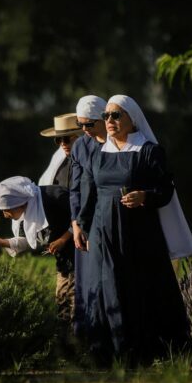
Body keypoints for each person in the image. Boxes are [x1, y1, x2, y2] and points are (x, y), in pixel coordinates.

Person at [77, 95, 192, 366]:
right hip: (103, 232)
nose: (109, 121)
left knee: (144, 287)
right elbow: (90, 191)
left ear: (132, 119)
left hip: (140, 233)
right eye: (106, 116)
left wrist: (145, 196)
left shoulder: (149, 151)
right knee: (108, 287)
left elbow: (166, 189)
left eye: (116, 115)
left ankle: (152, 351)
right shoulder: (98, 153)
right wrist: (81, 225)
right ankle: (114, 354)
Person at [0, 176, 75, 326]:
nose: (5, 215)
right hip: (64, 263)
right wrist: (0, 242)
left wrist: (63, 239)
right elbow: (27, 240)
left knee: (76, 307)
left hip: (83, 257)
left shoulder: (55, 197)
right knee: (62, 306)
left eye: (6, 210)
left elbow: (83, 217)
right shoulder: (25, 213)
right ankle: (69, 345)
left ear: (18, 203)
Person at [69, 95, 108, 338]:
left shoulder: (116, 143)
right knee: (87, 280)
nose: (85, 130)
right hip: (83, 222)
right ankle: (89, 334)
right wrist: (75, 224)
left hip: (106, 218)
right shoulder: (80, 146)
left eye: (89, 124)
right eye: (80, 125)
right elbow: (75, 188)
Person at [38, 113, 82, 188]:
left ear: (80, 137)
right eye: (58, 140)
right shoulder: (57, 160)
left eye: (66, 139)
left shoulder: (92, 159)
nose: (62, 144)